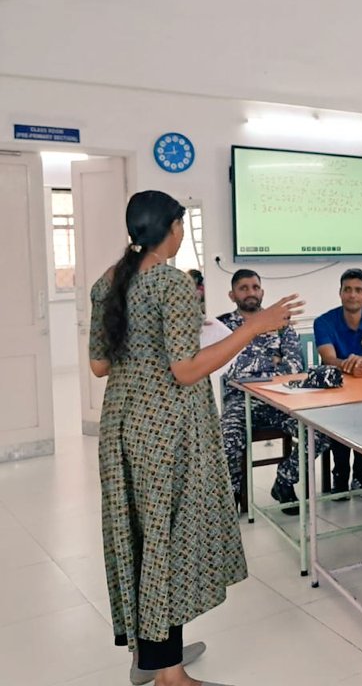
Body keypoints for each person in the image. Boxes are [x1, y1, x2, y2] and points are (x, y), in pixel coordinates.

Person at [89, 190, 301, 686]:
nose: (182, 233)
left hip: (120, 426)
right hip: (166, 430)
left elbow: (99, 365)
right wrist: (255, 326)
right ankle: (172, 676)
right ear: (171, 228)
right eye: (180, 225)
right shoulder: (173, 284)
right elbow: (186, 370)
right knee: (168, 540)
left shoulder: (108, 282)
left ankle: (151, 656)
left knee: (139, 538)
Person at [217, 269, 330, 516]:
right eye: (243, 288)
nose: (250, 292)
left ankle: (284, 480)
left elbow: (294, 367)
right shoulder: (222, 326)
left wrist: (252, 362)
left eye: (255, 287)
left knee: (320, 433)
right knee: (227, 440)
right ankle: (232, 496)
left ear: (262, 292)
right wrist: (271, 360)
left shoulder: (281, 325)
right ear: (232, 294)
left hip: (278, 399)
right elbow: (228, 370)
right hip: (240, 401)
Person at [314, 268, 362, 497]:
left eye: (358, 290)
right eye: (347, 289)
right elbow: (329, 358)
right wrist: (349, 365)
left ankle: (360, 473)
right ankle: (340, 473)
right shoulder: (324, 322)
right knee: (342, 419)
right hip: (335, 390)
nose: (352, 295)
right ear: (340, 293)